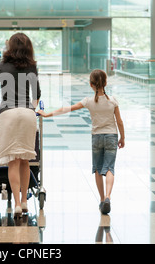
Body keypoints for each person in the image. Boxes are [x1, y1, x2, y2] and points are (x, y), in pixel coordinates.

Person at [38, 69, 124, 215]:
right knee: (109, 168)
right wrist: (122, 137)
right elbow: (119, 121)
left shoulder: (88, 101)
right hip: (111, 136)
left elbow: (67, 109)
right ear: (105, 83)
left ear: (91, 84)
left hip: (97, 137)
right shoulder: (113, 100)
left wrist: (47, 114)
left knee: (97, 169)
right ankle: (109, 196)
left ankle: (102, 199)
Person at [0, 33, 41, 218]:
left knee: (13, 161)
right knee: (25, 159)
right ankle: (25, 201)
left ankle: (17, 203)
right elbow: (36, 96)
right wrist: (30, 109)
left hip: (7, 114)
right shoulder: (32, 67)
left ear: (10, 46)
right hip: (27, 114)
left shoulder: (0, 66)